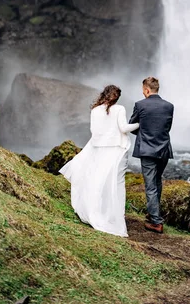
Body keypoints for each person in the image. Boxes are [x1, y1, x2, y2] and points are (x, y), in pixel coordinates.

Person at [59, 85, 139, 238]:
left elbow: (93, 132)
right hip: (116, 149)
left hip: (99, 149)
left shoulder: (95, 111)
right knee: (116, 183)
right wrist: (139, 124)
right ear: (116, 97)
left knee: (97, 180)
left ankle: (95, 211)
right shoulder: (119, 109)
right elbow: (123, 128)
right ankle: (116, 218)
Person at [129, 77, 174, 234]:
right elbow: (166, 127)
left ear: (147, 90)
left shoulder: (140, 105)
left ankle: (156, 222)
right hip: (164, 150)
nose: (143, 93)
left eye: (143, 90)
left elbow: (133, 125)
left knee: (150, 185)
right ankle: (153, 213)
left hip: (147, 150)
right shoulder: (169, 106)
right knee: (157, 182)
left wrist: (144, 132)